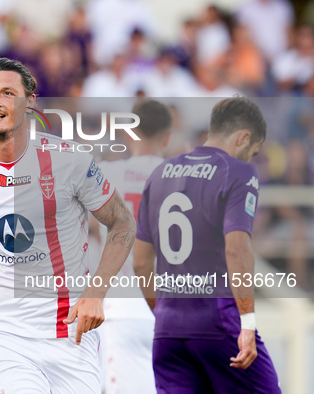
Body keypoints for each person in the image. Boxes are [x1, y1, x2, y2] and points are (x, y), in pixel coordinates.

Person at [0, 57, 135, 393]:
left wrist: (96, 292)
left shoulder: (71, 161)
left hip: (71, 331)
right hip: (4, 335)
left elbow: (123, 224)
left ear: (30, 103)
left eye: (7, 93)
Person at [134, 97, 281, 393]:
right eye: (252, 152)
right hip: (219, 322)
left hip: (168, 330)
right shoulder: (239, 172)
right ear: (244, 137)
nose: (250, 159)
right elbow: (237, 248)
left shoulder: (160, 173)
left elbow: (140, 262)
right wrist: (248, 323)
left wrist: (164, 313)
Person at [99, 99, 172, 394]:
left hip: (123, 304)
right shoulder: (183, 178)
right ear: (167, 136)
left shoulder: (105, 174)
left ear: (130, 134)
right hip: (171, 306)